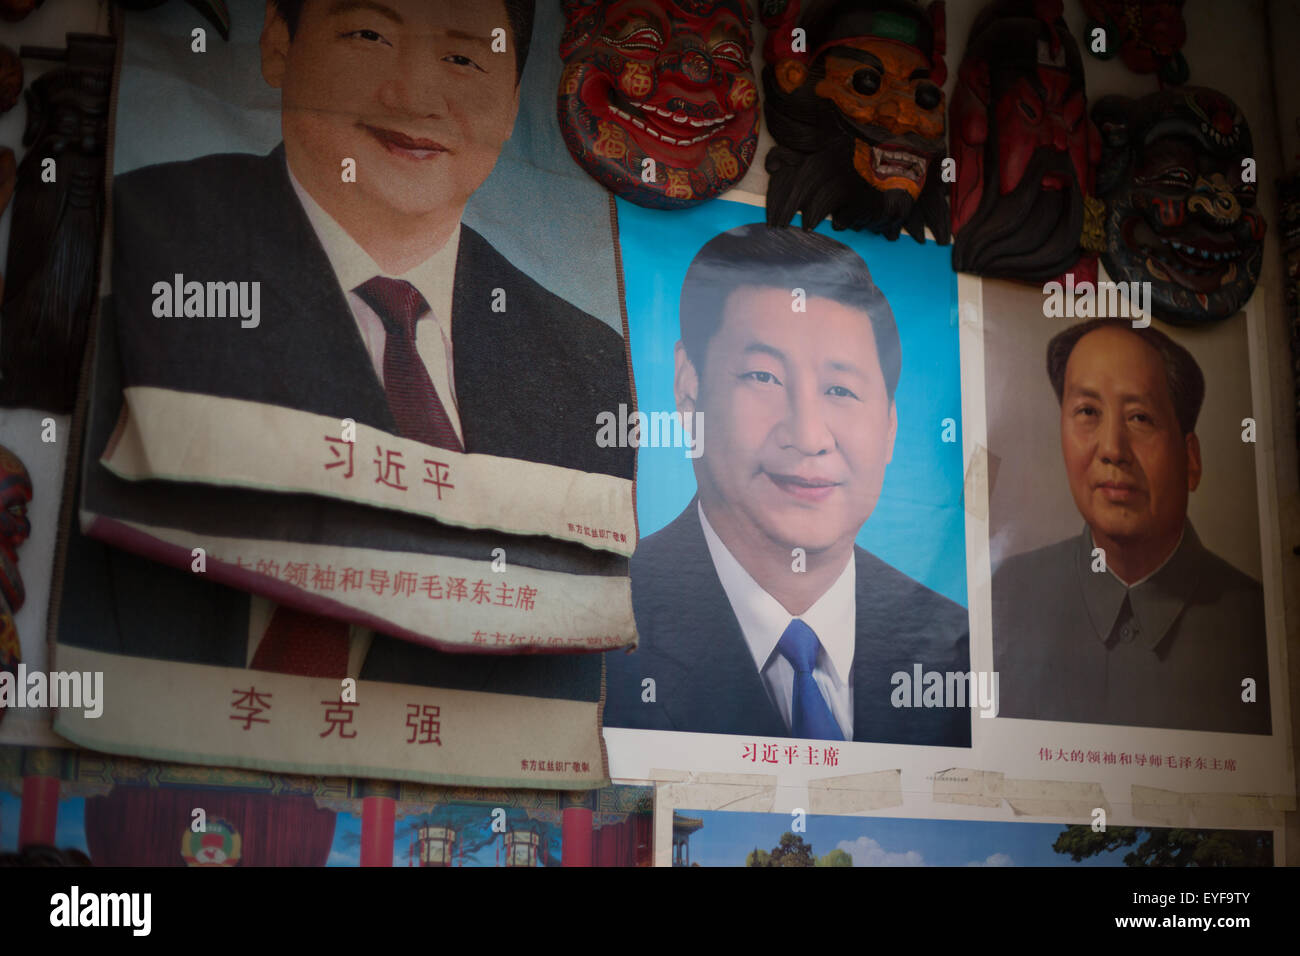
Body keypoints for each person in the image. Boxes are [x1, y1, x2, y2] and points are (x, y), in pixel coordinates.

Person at [112, 0, 631, 479]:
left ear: (513, 105)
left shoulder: (585, 365)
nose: (416, 98)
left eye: (461, 58)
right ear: (278, 42)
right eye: (370, 34)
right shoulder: (153, 232)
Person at [605, 224, 969, 745]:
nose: (807, 436)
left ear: (890, 426)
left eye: (840, 389)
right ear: (689, 389)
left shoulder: (957, 654)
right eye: (763, 378)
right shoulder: (599, 631)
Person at [992, 318, 1271, 734]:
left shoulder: (1259, 626)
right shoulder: (1005, 595)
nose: (1112, 450)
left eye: (1140, 418)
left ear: (1190, 459)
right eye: (1087, 412)